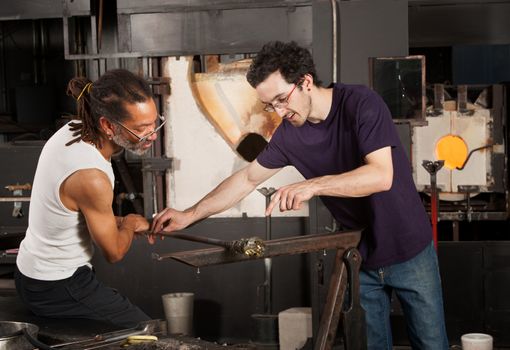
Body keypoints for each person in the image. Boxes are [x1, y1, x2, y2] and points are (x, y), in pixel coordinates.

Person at [152, 42, 449, 348]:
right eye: (270, 105)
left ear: (306, 81)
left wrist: (313, 185)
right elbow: (246, 179)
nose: (279, 112)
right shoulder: (289, 135)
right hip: (361, 256)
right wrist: (190, 214)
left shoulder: (361, 103)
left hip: (410, 250)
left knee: (431, 343)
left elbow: (381, 175)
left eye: (282, 99)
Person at [15, 69, 163, 328]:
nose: (152, 135)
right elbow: (114, 252)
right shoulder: (90, 177)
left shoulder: (75, 129)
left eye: (154, 123)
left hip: (37, 272)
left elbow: (72, 213)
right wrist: (128, 222)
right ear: (107, 125)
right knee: (147, 333)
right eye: (141, 129)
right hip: (55, 285)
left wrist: (123, 221)